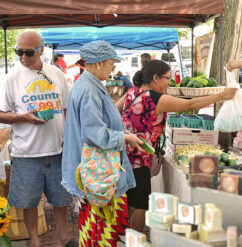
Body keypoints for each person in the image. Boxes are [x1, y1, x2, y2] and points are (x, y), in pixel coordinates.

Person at [116, 60, 237, 232]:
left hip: (123, 153)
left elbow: (115, 109)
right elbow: (190, 104)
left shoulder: (131, 92)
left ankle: (124, 235)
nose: (169, 82)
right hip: (139, 158)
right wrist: (220, 96)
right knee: (141, 204)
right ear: (155, 78)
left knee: (129, 199)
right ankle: (134, 238)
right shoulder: (155, 99)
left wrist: (125, 131)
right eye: (167, 78)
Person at [61, 40, 143, 247]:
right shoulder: (89, 89)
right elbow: (95, 134)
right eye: (110, 64)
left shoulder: (88, 84)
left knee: (96, 230)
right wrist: (126, 137)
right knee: (101, 231)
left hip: (94, 171)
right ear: (98, 63)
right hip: (97, 173)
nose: (112, 69)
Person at [0, 31, 74, 247]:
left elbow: (67, 108)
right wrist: (22, 117)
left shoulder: (56, 73)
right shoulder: (11, 78)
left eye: (28, 52)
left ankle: (63, 238)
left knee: (61, 199)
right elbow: (1, 113)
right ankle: (34, 240)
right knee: (28, 201)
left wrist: (69, 140)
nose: (22, 57)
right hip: (27, 153)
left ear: (41, 50)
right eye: (18, 52)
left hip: (57, 150)